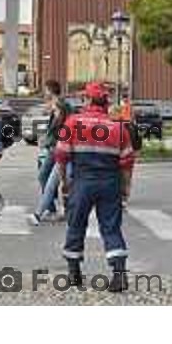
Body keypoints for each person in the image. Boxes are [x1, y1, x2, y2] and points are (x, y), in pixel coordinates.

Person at [54, 82, 135, 292]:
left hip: (82, 182)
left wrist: (64, 183)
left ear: (89, 100)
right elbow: (127, 161)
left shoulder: (73, 123)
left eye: (84, 98)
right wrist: (126, 187)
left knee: (76, 224)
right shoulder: (118, 127)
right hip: (110, 182)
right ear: (106, 102)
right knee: (110, 227)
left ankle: (74, 273)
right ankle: (119, 275)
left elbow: (61, 157)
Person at [29, 80, 72, 226]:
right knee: (43, 176)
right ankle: (51, 208)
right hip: (53, 149)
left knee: (55, 182)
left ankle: (41, 212)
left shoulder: (62, 106)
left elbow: (60, 130)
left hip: (61, 150)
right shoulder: (55, 108)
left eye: (46, 89)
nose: (44, 92)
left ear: (51, 90)